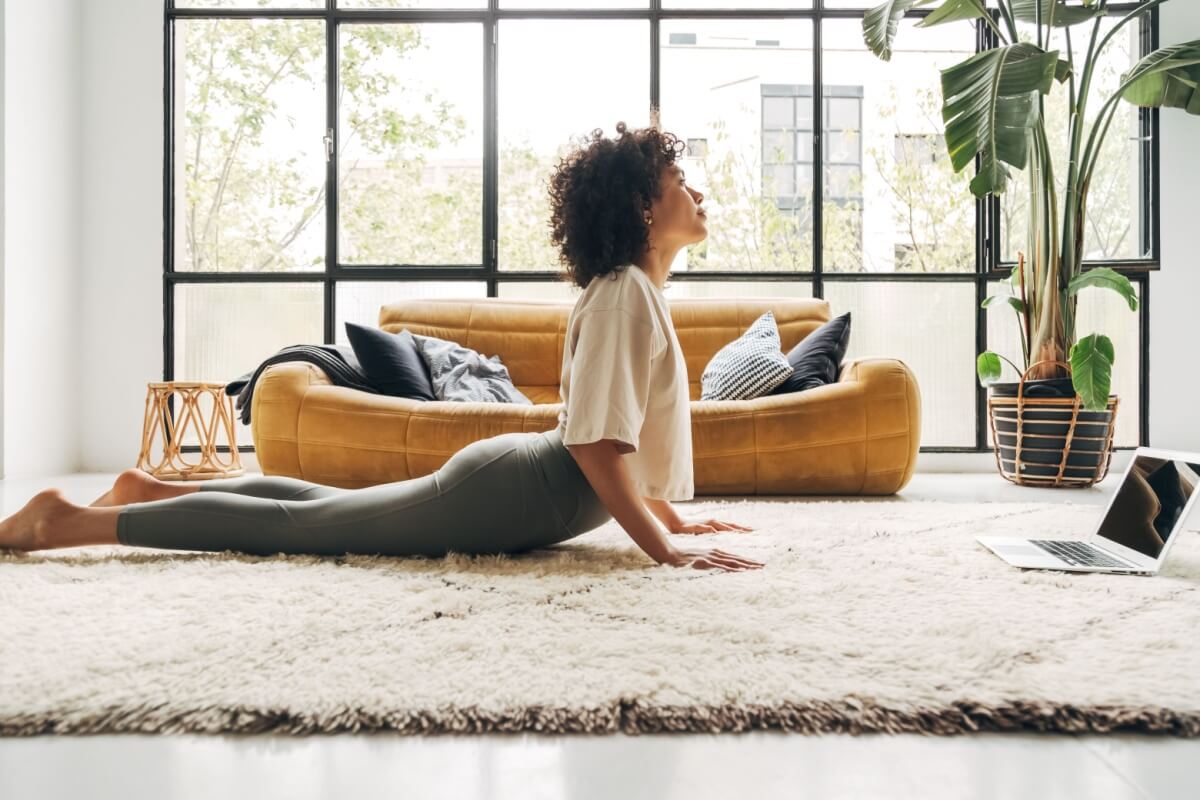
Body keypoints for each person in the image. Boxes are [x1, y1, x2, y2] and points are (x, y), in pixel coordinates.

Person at [0, 121, 763, 573]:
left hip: (529, 487)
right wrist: (664, 547)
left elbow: (618, 435)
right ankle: (67, 522)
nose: (699, 195)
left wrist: (671, 517)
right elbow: (598, 445)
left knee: (325, 508)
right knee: (304, 533)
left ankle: (146, 491)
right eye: (681, 181)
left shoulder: (634, 291)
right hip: (516, 492)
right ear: (641, 205)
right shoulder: (626, 293)